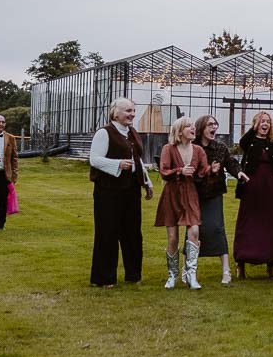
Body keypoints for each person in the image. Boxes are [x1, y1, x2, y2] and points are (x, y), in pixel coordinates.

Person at [88, 97, 154, 287]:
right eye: (128, 111)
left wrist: (147, 182)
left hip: (131, 189)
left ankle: (133, 275)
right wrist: (117, 164)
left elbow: (138, 160)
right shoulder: (104, 133)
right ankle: (104, 278)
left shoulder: (132, 132)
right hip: (108, 191)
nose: (132, 114)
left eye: (133, 111)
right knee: (107, 232)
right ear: (115, 112)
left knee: (133, 233)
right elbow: (94, 159)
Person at [233, 110, 273, 276]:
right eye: (262, 121)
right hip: (252, 186)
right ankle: (241, 262)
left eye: (268, 121)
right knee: (249, 222)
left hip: (270, 187)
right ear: (256, 124)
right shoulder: (250, 142)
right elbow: (243, 142)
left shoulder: (272, 144)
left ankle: (271, 262)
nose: (265, 124)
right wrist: (253, 128)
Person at [155, 116, 208, 290]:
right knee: (173, 238)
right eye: (188, 126)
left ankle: (191, 274)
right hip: (172, 194)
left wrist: (211, 170)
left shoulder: (199, 150)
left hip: (190, 194)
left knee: (194, 231)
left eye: (193, 126)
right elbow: (164, 171)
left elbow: (202, 172)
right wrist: (180, 171)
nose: (193, 128)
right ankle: (172, 274)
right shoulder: (168, 148)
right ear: (179, 131)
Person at [193, 114, 240, 285]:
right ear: (201, 128)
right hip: (195, 194)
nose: (214, 127)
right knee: (193, 231)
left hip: (214, 193)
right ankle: (189, 269)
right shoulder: (193, 148)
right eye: (210, 125)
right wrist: (208, 171)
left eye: (215, 124)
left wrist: (239, 173)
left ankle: (226, 270)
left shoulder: (220, 147)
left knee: (217, 228)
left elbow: (231, 163)